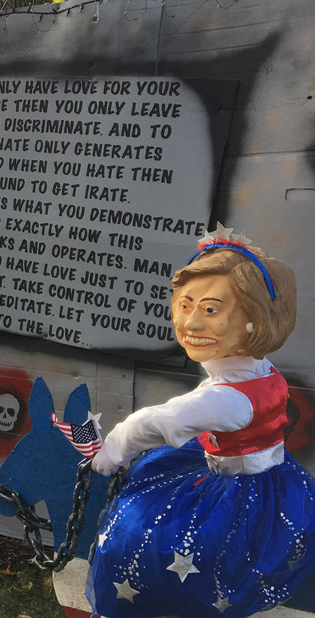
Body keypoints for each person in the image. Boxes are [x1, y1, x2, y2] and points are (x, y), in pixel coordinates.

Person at [87, 226, 315, 617]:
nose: (190, 324)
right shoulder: (256, 369)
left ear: (254, 322)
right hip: (273, 481)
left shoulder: (226, 400)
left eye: (210, 310)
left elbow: (158, 421)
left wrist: (112, 450)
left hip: (238, 497)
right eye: (185, 305)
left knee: (135, 540)